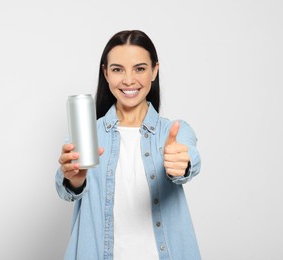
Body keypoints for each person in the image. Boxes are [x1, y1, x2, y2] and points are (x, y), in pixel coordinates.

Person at [56, 30, 201, 260]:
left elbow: (188, 157)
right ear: (106, 73)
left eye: (140, 68)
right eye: (117, 69)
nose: (128, 79)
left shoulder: (174, 131)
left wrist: (182, 164)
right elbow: (67, 189)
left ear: (154, 70)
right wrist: (74, 179)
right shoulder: (86, 135)